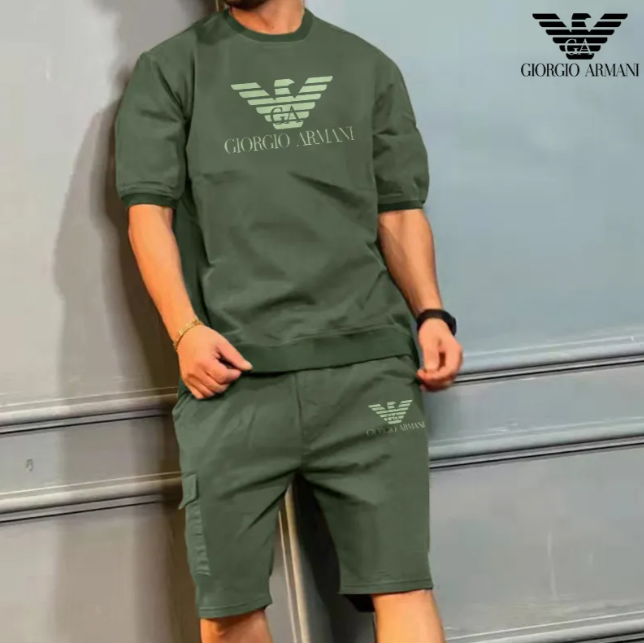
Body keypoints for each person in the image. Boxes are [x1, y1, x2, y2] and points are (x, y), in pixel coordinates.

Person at [115, 0, 463, 641]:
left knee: (403, 585)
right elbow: (147, 215)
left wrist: (431, 312)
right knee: (230, 610)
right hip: (232, 379)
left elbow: (398, 207)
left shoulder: (365, 67)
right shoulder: (170, 70)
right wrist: (185, 331)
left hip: (369, 374)